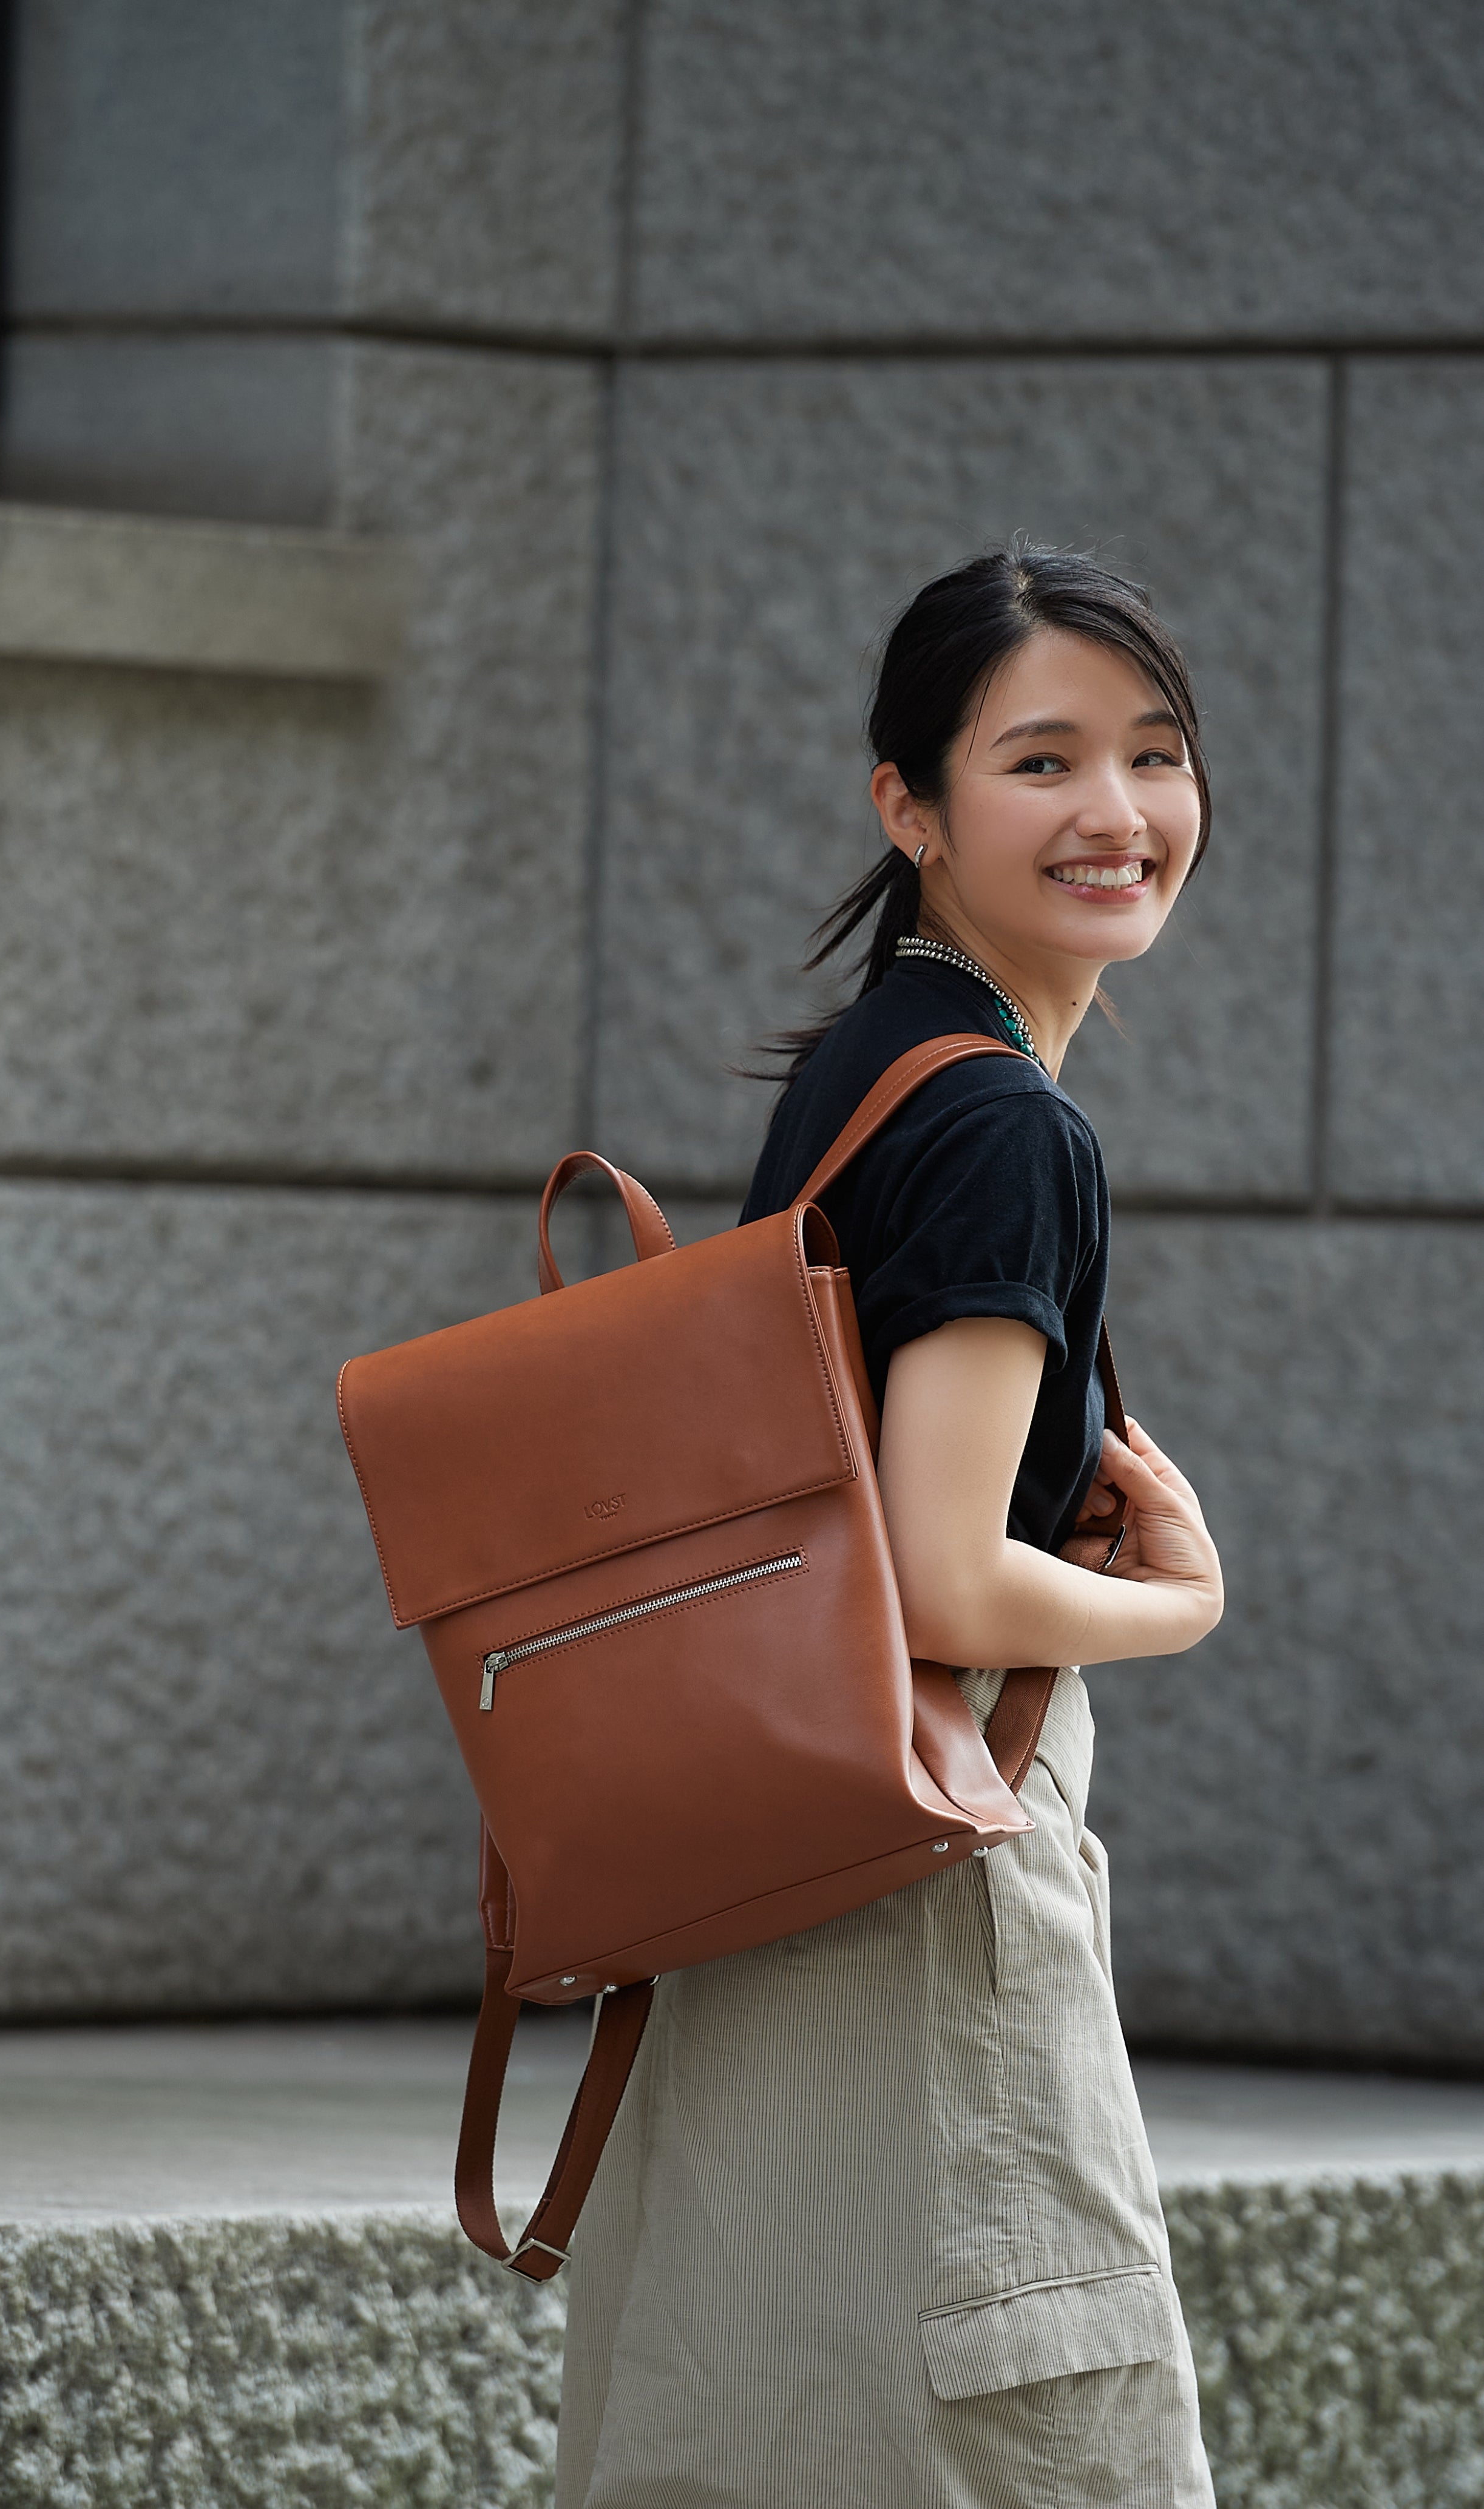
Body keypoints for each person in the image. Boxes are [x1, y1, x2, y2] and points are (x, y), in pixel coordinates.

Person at [554, 544, 1225, 2509]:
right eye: (1040, 762)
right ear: (909, 808)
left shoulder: (867, 1072)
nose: (1115, 813)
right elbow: (939, 1580)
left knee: (754, 2426)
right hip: (919, 1897)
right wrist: (1179, 1603)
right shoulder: (1003, 1126)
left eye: (1153, 752)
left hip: (770, 1875)